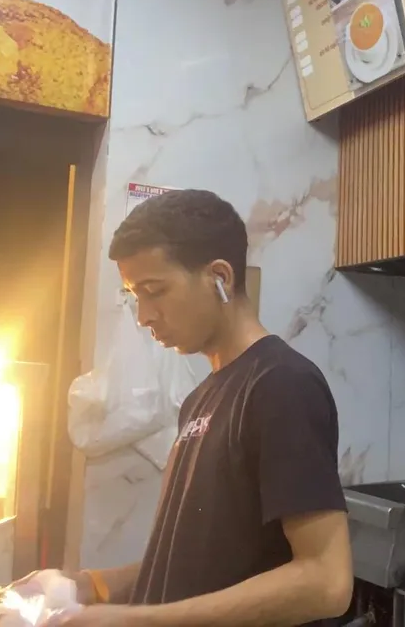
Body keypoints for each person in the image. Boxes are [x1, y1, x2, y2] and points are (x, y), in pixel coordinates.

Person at [43, 189, 353, 627]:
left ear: (219, 277)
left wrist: (129, 623)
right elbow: (191, 569)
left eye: (155, 291)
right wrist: (89, 586)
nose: (144, 316)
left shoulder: (281, 384)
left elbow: (326, 581)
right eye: (134, 295)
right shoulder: (198, 399)